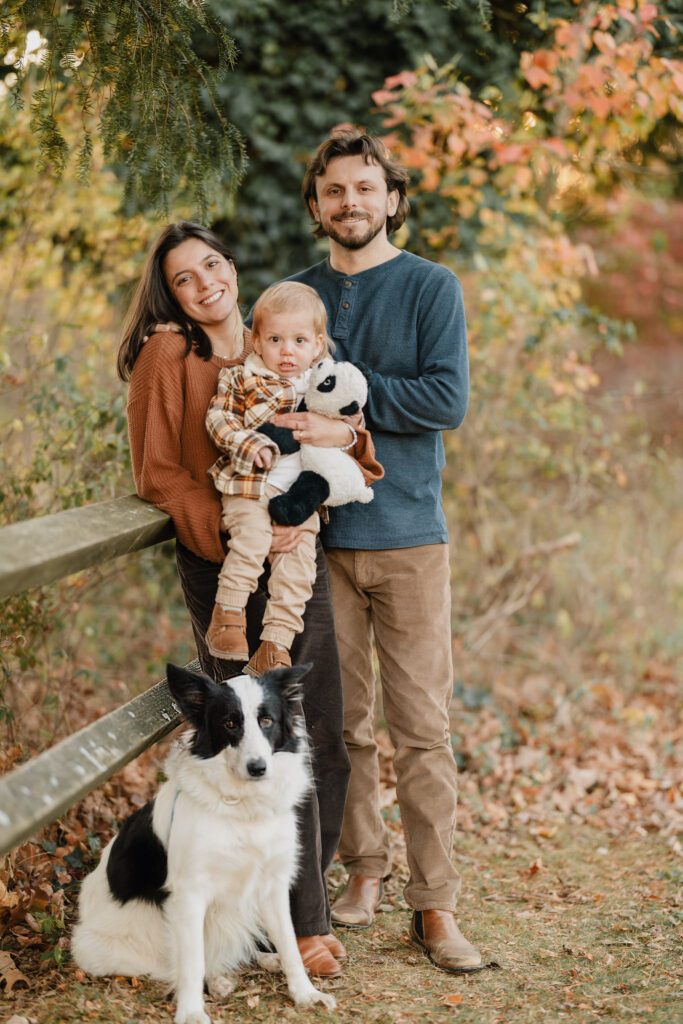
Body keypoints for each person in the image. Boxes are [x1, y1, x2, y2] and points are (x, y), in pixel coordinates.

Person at [115, 221, 379, 979]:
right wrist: (233, 539)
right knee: (255, 740)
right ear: (169, 293)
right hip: (225, 564)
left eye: (211, 265)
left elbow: (341, 429)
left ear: (231, 265)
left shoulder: (279, 339)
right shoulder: (172, 353)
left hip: (297, 552)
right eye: (184, 278)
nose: (204, 285)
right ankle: (306, 930)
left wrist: (336, 458)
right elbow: (157, 473)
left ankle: (288, 906)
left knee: (321, 732)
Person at [273, 130, 484, 973]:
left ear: (391, 198)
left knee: (422, 730)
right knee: (341, 728)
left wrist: (348, 413)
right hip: (317, 547)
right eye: (333, 190)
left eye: (365, 188)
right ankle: (363, 874)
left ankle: (435, 906)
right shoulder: (298, 295)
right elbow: (269, 380)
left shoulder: (432, 286)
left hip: (407, 539)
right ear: (316, 203)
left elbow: (447, 398)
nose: (349, 202)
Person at [204, 281, 359, 677]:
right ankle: (229, 618)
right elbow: (219, 419)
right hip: (249, 488)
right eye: (274, 339)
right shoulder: (240, 378)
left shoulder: (321, 385)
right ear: (255, 340)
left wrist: (347, 427)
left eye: (299, 340)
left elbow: (350, 425)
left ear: (317, 344)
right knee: (252, 541)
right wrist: (248, 443)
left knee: (300, 566)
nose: (287, 350)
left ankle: (275, 646)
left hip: (297, 498)